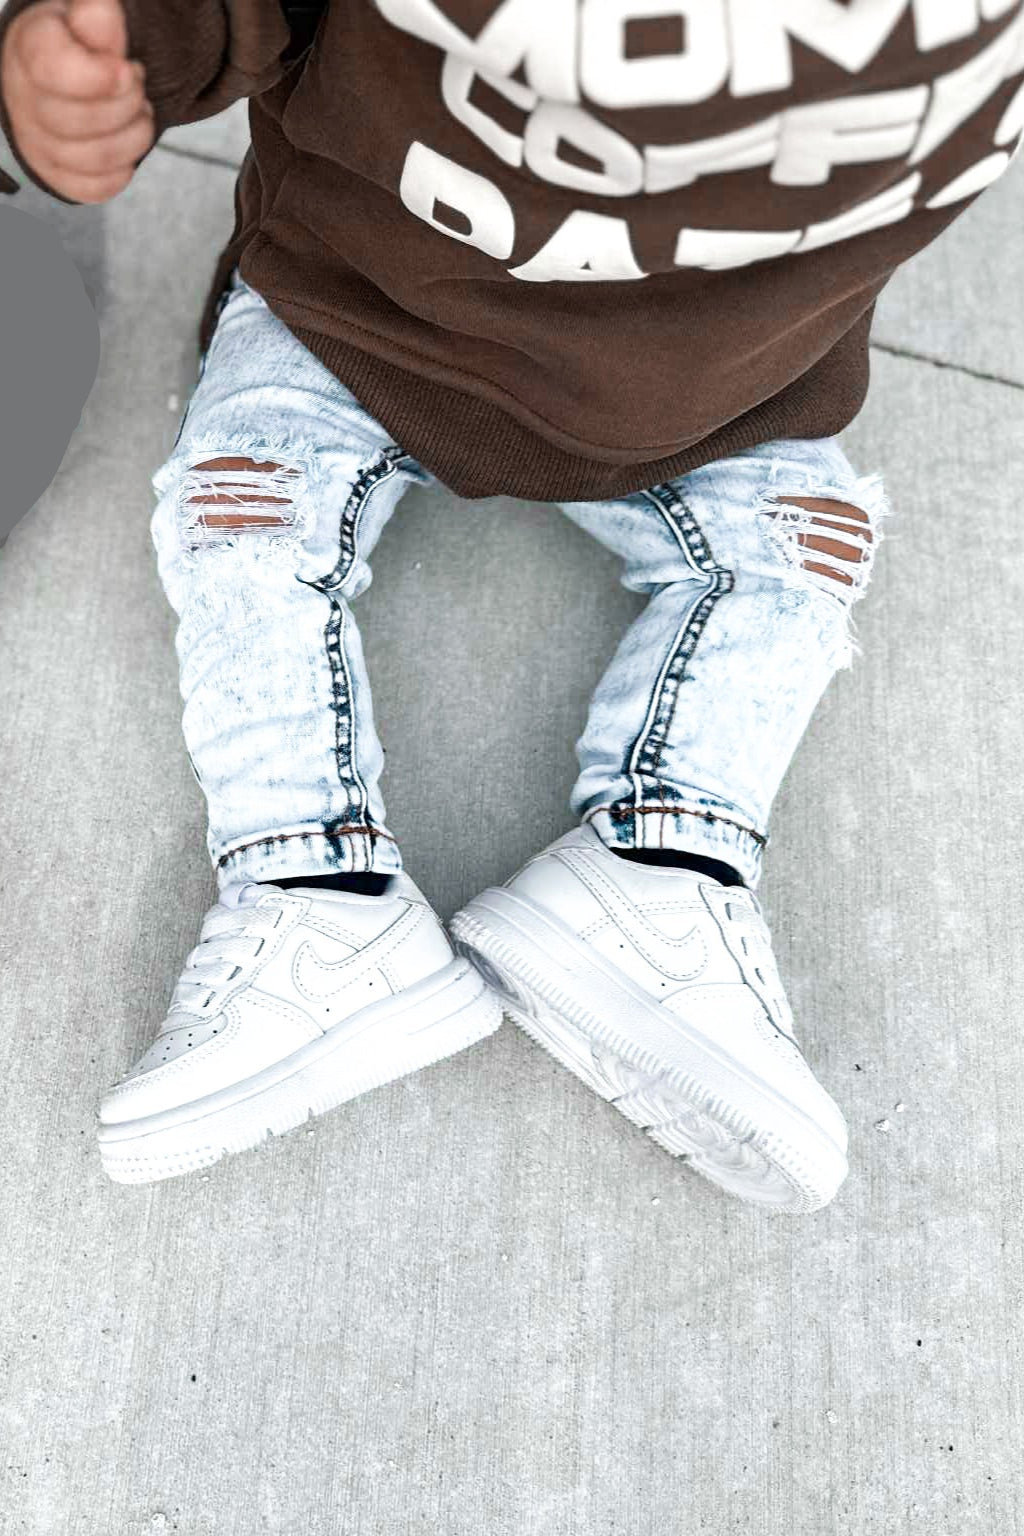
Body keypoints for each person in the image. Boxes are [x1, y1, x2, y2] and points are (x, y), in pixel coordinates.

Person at [2, 0, 1021, 1209]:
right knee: (242, 508)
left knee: (803, 548)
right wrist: (129, 47)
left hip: (731, 388)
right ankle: (315, 899)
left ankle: (664, 870)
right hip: (364, 311)